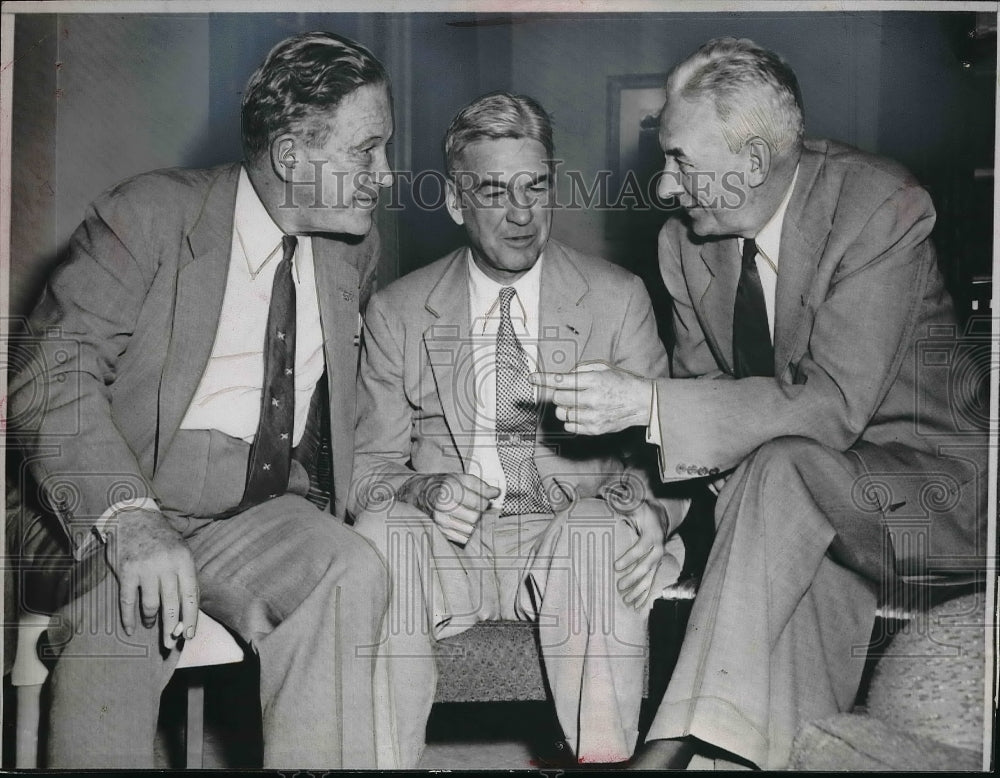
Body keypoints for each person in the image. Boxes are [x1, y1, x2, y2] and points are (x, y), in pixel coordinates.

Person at [530, 37, 988, 770]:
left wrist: (646, 401)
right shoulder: (686, 245)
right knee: (783, 707)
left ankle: (669, 747)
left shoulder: (880, 209)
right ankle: (720, 755)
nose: (666, 188)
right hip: (803, 513)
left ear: (750, 163)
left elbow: (831, 409)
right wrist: (655, 508)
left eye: (680, 160)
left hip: (933, 503)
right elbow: (705, 420)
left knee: (780, 468)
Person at [7, 31, 395, 769]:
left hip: (252, 514)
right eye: (365, 150)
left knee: (353, 569)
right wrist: (127, 518)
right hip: (107, 506)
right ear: (291, 157)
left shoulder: (353, 250)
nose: (385, 173)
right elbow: (49, 373)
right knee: (126, 605)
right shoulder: (148, 216)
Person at [349, 91, 687, 768]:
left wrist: (643, 511)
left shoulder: (617, 299)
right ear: (455, 203)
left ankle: (603, 761)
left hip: (567, 537)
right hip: (452, 547)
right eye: (495, 191)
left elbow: (665, 456)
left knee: (595, 532)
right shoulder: (397, 311)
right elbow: (365, 474)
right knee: (380, 535)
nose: (522, 213)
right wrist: (425, 492)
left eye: (535, 187)